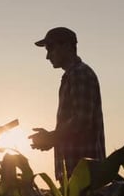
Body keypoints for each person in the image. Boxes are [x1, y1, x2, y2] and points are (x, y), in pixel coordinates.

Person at [29, 27, 106, 183]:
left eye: (50, 48)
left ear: (68, 46)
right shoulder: (73, 75)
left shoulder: (80, 74)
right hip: (77, 171)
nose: (47, 56)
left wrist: (51, 137)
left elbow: (81, 121)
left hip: (82, 172)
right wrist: (51, 139)